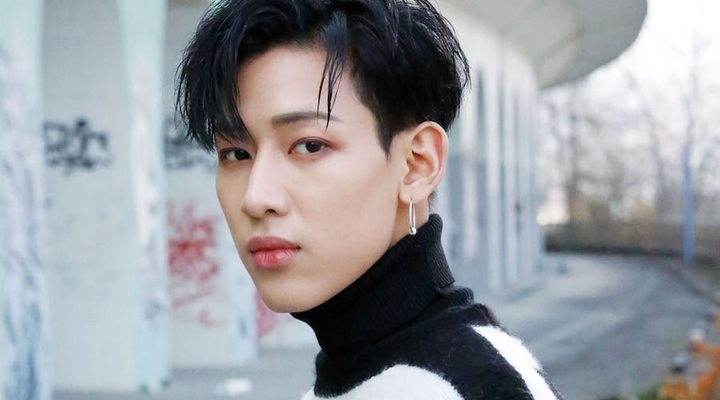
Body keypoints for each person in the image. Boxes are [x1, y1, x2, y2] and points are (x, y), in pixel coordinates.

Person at [176, 0, 564, 398]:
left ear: (416, 165)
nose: (257, 198)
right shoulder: (362, 378)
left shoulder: (474, 386)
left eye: (309, 146)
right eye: (236, 154)